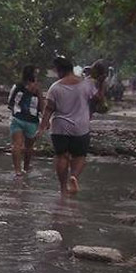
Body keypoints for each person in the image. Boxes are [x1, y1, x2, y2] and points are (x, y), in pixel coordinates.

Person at [38, 56, 106, 195]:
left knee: (61, 156)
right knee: (79, 156)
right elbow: (99, 100)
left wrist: (42, 126)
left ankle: (63, 189)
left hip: (59, 128)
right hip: (80, 127)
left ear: (59, 70)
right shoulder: (87, 84)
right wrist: (102, 83)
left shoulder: (55, 87)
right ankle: (74, 176)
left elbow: (49, 108)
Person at [7, 65, 44, 176]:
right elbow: (42, 106)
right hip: (32, 121)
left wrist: (16, 110)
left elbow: (10, 102)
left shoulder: (17, 86)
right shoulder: (37, 89)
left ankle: (18, 171)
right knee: (29, 147)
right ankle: (26, 169)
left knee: (16, 145)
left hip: (17, 118)